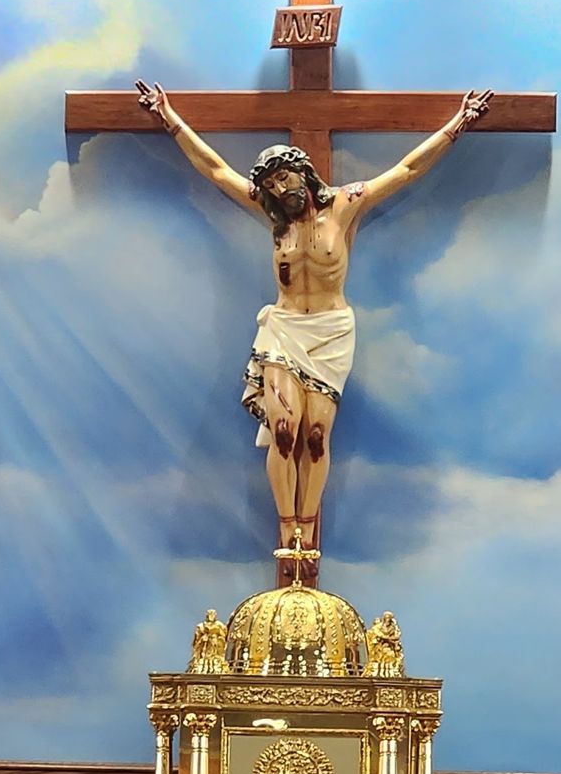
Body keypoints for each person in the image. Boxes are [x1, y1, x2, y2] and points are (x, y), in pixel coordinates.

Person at [135, 81, 492, 557]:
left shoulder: (345, 205)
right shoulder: (274, 217)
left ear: (304, 172)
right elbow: (216, 170)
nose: (280, 189)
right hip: (284, 328)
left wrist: (458, 123)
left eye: (285, 177)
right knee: (285, 432)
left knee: (317, 437)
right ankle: (289, 530)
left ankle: (308, 524)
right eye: (271, 184)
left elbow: (406, 169)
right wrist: (169, 117)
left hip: (331, 331)